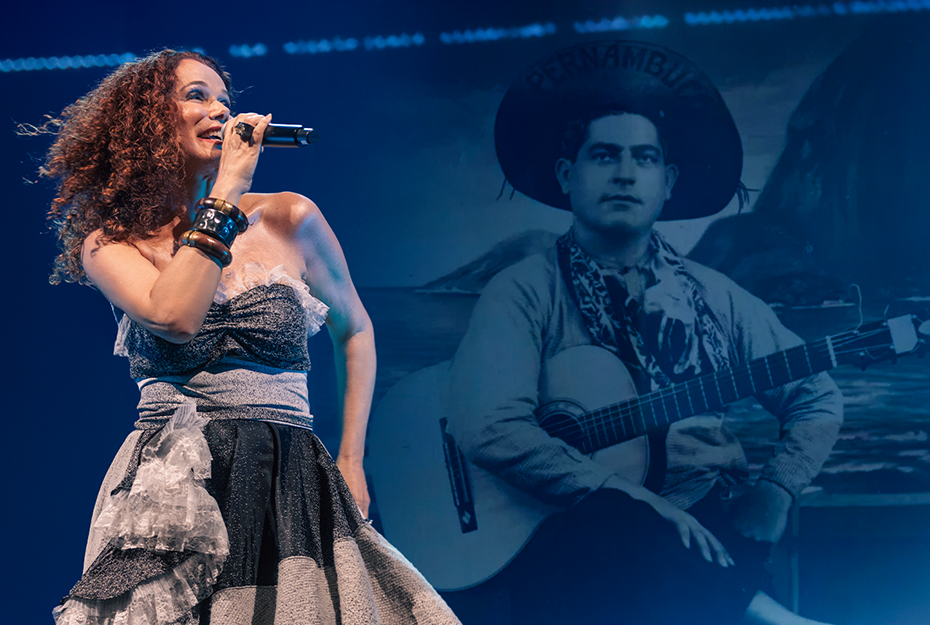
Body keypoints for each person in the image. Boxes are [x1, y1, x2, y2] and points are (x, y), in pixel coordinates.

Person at [39, 49, 460, 624]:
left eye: (224, 101)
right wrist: (228, 190)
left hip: (287, 473)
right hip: (173, 481)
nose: (220, 111)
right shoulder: (112, 243)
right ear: (147, 121)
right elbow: (177, 317)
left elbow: (355, 329)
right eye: (197, 96)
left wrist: (353, 460)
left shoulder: (290, 219)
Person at [444, 41, 843, 624]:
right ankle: (765, 615)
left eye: (645, 159)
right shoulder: (524, 290)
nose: (626, 174)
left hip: (705, 524)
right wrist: (629, 499)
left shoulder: (718, 296)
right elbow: (491, 428)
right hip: (567, 531)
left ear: (669, 181)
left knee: (674, 544)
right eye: (604, 156)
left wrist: (778, 488)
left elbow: (816, 395)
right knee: (604, 526)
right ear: (567, 175)